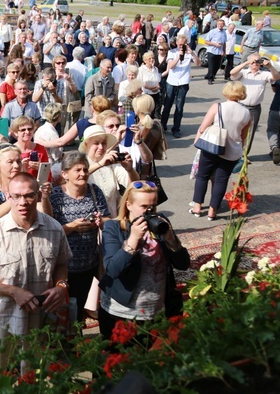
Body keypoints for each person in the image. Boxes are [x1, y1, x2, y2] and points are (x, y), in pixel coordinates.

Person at [0, 173, 71, 370]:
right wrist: (13, 291)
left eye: (28, 195)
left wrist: (61, 286)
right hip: (4, 315)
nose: (23, 202)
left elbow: (62, 263)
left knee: (35, 371)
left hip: (41, 314)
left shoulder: (54, 228)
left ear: (38, 196)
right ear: (8, 197)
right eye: (16, 196)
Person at [99, 182, 190, 339]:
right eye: (144, 206)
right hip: (121, 314)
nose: (149, 212)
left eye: (153, 206)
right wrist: (133, 239)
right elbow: (112, 269)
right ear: (129, 205)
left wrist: (171, 239)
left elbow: (183, 264)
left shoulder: (160, 223)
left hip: (156, 311)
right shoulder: (113, 227)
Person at [45, 152, 110, 323]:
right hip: (63, 266)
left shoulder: (94, 191)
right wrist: (72, 226)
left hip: (88, 263)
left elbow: (107, 219)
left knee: (78, 308)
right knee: (60, 311)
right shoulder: (56, 196)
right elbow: (50, 231)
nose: (83, 173)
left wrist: (100, 221)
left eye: (85, 169)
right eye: (78, 170)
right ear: (65, 174)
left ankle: (76, 342)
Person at [190, 82, 252, 220]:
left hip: (213, 146)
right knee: (221, 180)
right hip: (232, 150)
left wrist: (197, 140)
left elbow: (203, 127)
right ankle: (213, 211)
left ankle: (197, 207)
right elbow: (243, 136)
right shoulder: (247, 113)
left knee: (202, 176)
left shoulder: (218, 107)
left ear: (226, 92)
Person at [82, 124, 138, 217]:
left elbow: (134, 185)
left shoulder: (111, 164)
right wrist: (100, 164)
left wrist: (130, 169)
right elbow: (77, 177)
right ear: (86, 144)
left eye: (104, 143)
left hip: (111, 220)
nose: (101, 147)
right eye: (96, 143)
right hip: (89, 220)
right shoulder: (80, 163)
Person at [229, 54, 280, 153]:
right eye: (253, 62)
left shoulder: (264, 74)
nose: (255, 64)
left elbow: (276, 77)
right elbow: (232, 72)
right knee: (235, 129)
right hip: (240, 105)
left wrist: (270, 66)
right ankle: (232, 152)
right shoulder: (243, 73)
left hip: (255, 108)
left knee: (250, 132)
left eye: (258, 61)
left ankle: (244, 154)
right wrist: (246, 63)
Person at [160, 34, 198, 138]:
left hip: (183, 82)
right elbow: (171, 66)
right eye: (180, 44)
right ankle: (163, 126)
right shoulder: (172, 52)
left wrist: (192, 54)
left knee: (179, 107)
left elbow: (198, 63)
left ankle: (176, 128)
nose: (181, 46)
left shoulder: (190, 52)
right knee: (167, 105)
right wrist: (178, 56)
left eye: (183, 44)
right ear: (176, 43)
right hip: (172, 82)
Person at [203, 19, 227, 84]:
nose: (220, 26)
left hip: (219, 52)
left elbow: (224, 43)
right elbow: (206, 41)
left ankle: (209, 75)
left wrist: (224, 51)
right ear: (217, 25)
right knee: (211, 65)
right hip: (211, 51)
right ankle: (210, 78)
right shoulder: (213, 32)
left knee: (217, 66)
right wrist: (215, 44)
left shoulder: (224, 32)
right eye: (219, 24)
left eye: (221, 24)